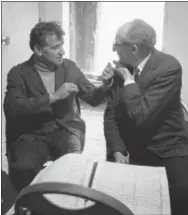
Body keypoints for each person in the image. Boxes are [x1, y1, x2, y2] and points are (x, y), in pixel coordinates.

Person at [4, 21, 114, 192]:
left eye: (62, 45)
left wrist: (105, 86)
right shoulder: (18, 73)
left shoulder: (68, 67)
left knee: (72, 168)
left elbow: (92, 98)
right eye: (56, 47)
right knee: (23, 169)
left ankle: (63, 205)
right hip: (31, 134)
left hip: (66, 128)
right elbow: (12, 108)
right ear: (38, 50)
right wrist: (52, 97)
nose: (62, 52)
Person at [104, 19, 188, 215]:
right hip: (131, 146)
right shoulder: (122, 64)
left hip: (167, 146)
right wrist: (117, 148)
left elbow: (140, 117)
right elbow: (111, 114)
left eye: (117, 43)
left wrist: (129, 82)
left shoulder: (168, 67)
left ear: (133, 49)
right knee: (115, 201)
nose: (114, 49)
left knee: (180, 197)